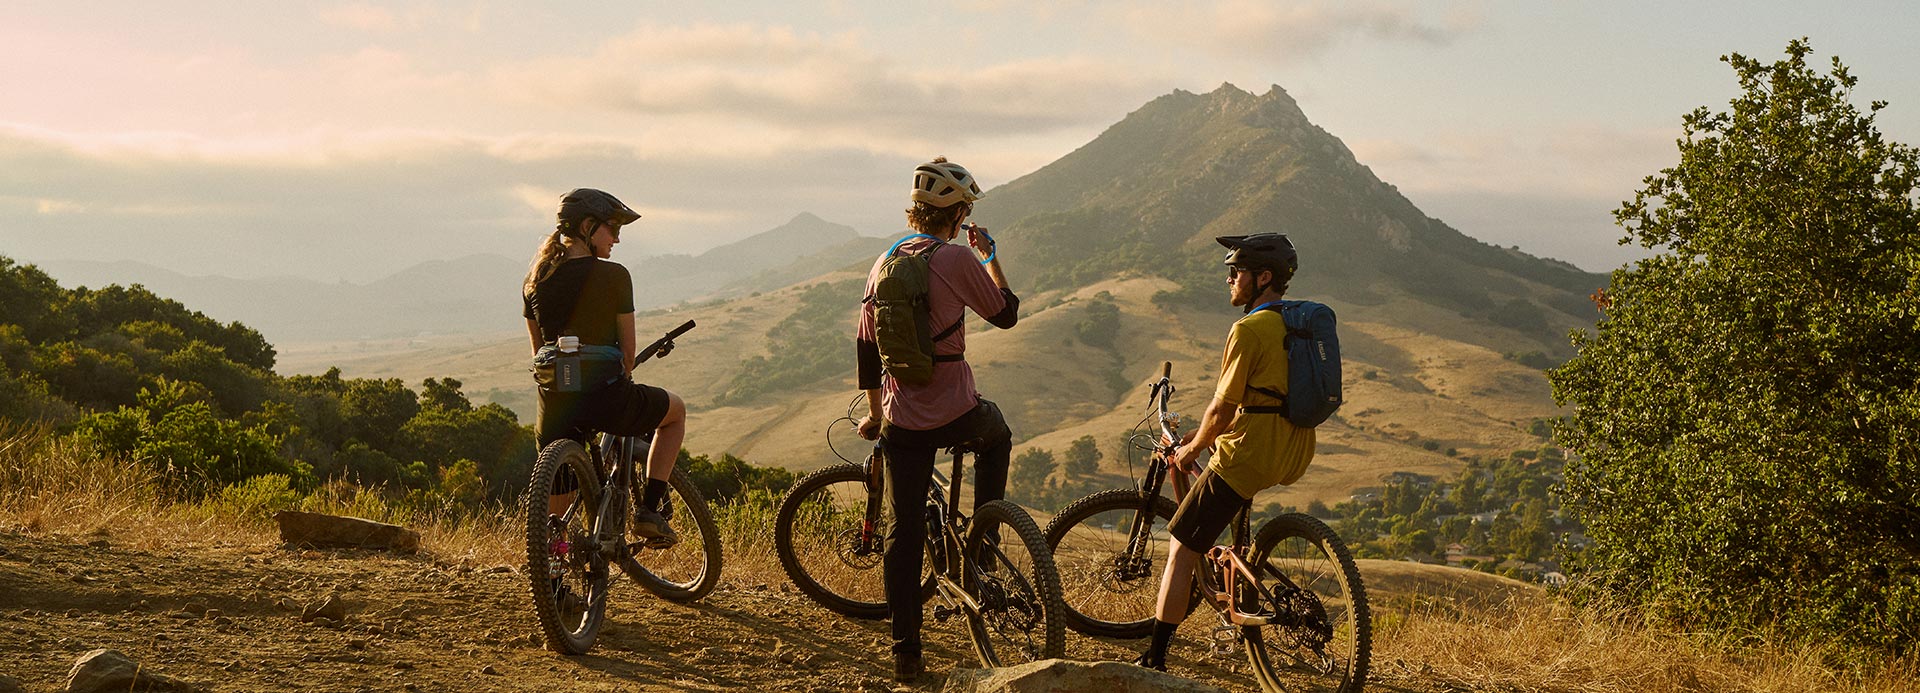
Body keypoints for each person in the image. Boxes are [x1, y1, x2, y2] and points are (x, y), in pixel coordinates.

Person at [854, 158, 1020, 683]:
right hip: (956, 412)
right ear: (961, 212)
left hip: (902, 418)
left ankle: (906, 650)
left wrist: (877, 416)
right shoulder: (956, 259)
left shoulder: (883, 262)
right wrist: (990, 258)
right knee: (998, 437)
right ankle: (985, 544)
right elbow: (1006, 313)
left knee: (903, 532)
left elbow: (865, 347)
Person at [1133, 233, 1318, 671]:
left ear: (1263, 277)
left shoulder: (1249, 329)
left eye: (1236, 272)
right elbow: (1263, 401)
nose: (1230, 280)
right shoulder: (1299, 325)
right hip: (1293, 449)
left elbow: (1222, 407)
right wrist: (1208, 436)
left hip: (1249, 454)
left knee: (1180, 549)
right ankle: (1240, 589)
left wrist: (1191, 447)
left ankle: (1155, 658)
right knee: (1222, 514)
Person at [523, 188, 688, 545]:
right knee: (676, 413)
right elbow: (628, 355)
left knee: (556, 511)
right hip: (607, 398)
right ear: (587, 226)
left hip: (555, 404)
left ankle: (554, 580)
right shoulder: (614, 276)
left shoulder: (534, 281)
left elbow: (539, 350)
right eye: (612, 229)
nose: (616, 238)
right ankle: (649, 511)